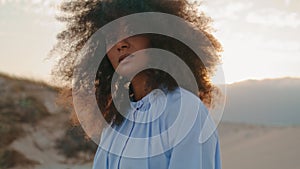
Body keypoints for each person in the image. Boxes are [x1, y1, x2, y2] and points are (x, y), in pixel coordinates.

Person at [51, 0, 223, 169]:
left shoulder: (186, 111)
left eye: (131, 30)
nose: (121, 44)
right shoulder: (115, 121)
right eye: (111, 37)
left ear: (157, 34)